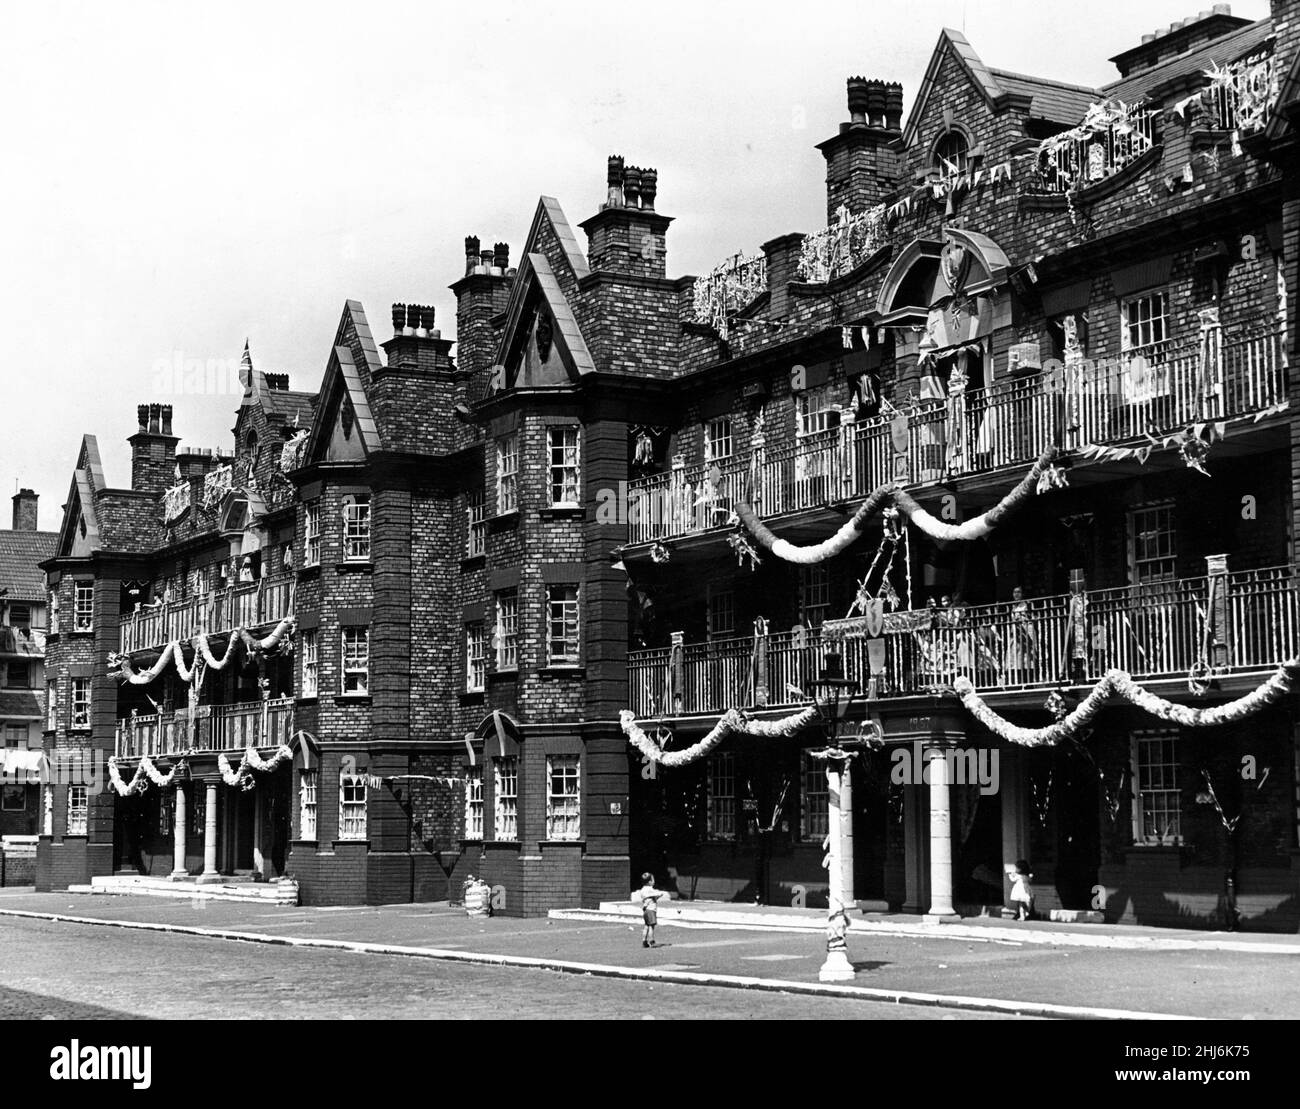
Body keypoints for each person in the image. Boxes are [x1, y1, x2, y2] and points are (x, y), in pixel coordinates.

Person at [634, 871, 670, 947]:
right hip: (651, 910)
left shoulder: (642, 890)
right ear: (650, 882)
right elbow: (657, 894)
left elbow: (650, 897)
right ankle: (652, 941)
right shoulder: (650, 889)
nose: (654, 881)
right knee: (651, 927)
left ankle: (644, 941)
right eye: (653, 880)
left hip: (645, 911)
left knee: (646, 926)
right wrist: (661, 894)